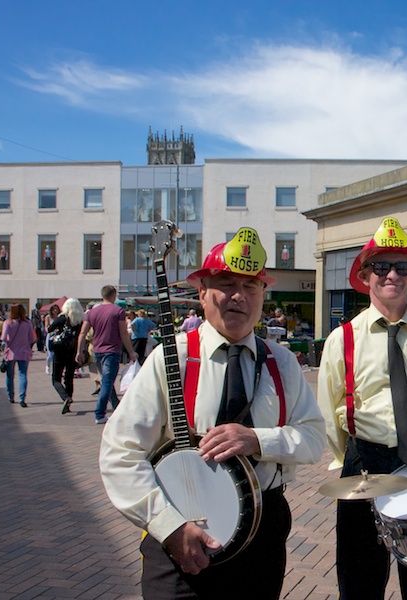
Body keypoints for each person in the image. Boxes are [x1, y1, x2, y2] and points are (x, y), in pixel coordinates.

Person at [100, 227, 325, 599]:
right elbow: (119, 453)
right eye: (225, 283)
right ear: (202, 292)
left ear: (263, 295)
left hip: (262, 535)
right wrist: (169, 527)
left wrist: (258, 439)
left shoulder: (282, 363)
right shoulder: (172, 358)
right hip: (179, 528)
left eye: (250, 285)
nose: (238, 295)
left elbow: (315, 439)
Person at [317, 216, 407, 600]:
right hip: (363, 466)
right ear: (365, 275)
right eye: (380, 265)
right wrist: (348, 459)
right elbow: (330, 414)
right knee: (360, 580)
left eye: (401, 265)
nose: (391, 274)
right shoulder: (341, 339)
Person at [76, 285, 137, 425]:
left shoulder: (92, 312)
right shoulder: (118, 311)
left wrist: (79, 351)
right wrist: (131, 352)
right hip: (112, 350)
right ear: (114, 294)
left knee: (106, 381)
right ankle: (100, 413)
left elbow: (83, 333)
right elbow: (123, 333)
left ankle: (117, 407)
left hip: (97, 351)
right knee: (108, 382)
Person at [48, 298, 85, 415]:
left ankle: (65, 397)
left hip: (60, 350)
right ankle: (68, 402)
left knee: (56, 378)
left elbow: (50, 329)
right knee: (69, 378)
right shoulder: (80, 320)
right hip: (73, 351)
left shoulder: (63, 318)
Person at [1, 303, 37, 407]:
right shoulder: (27, 324)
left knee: (10, 375)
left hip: (11, 352)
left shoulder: (7, 323)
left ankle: (10, 396)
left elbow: (3, 338)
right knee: (23, 375)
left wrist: (8, 342)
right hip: (24, 351)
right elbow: (32, 338)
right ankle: (22, 398)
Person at [44, 304, 61, 374]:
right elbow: (46, 326)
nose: (55, 311)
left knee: (57, 354)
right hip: (50, 335)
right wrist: (48, 331)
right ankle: (47, 366)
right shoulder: (48, 317)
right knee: (50, 354)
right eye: (54, 309)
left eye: (56, 309)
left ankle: (55, 369)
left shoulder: (60, 317)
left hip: (58, 335)